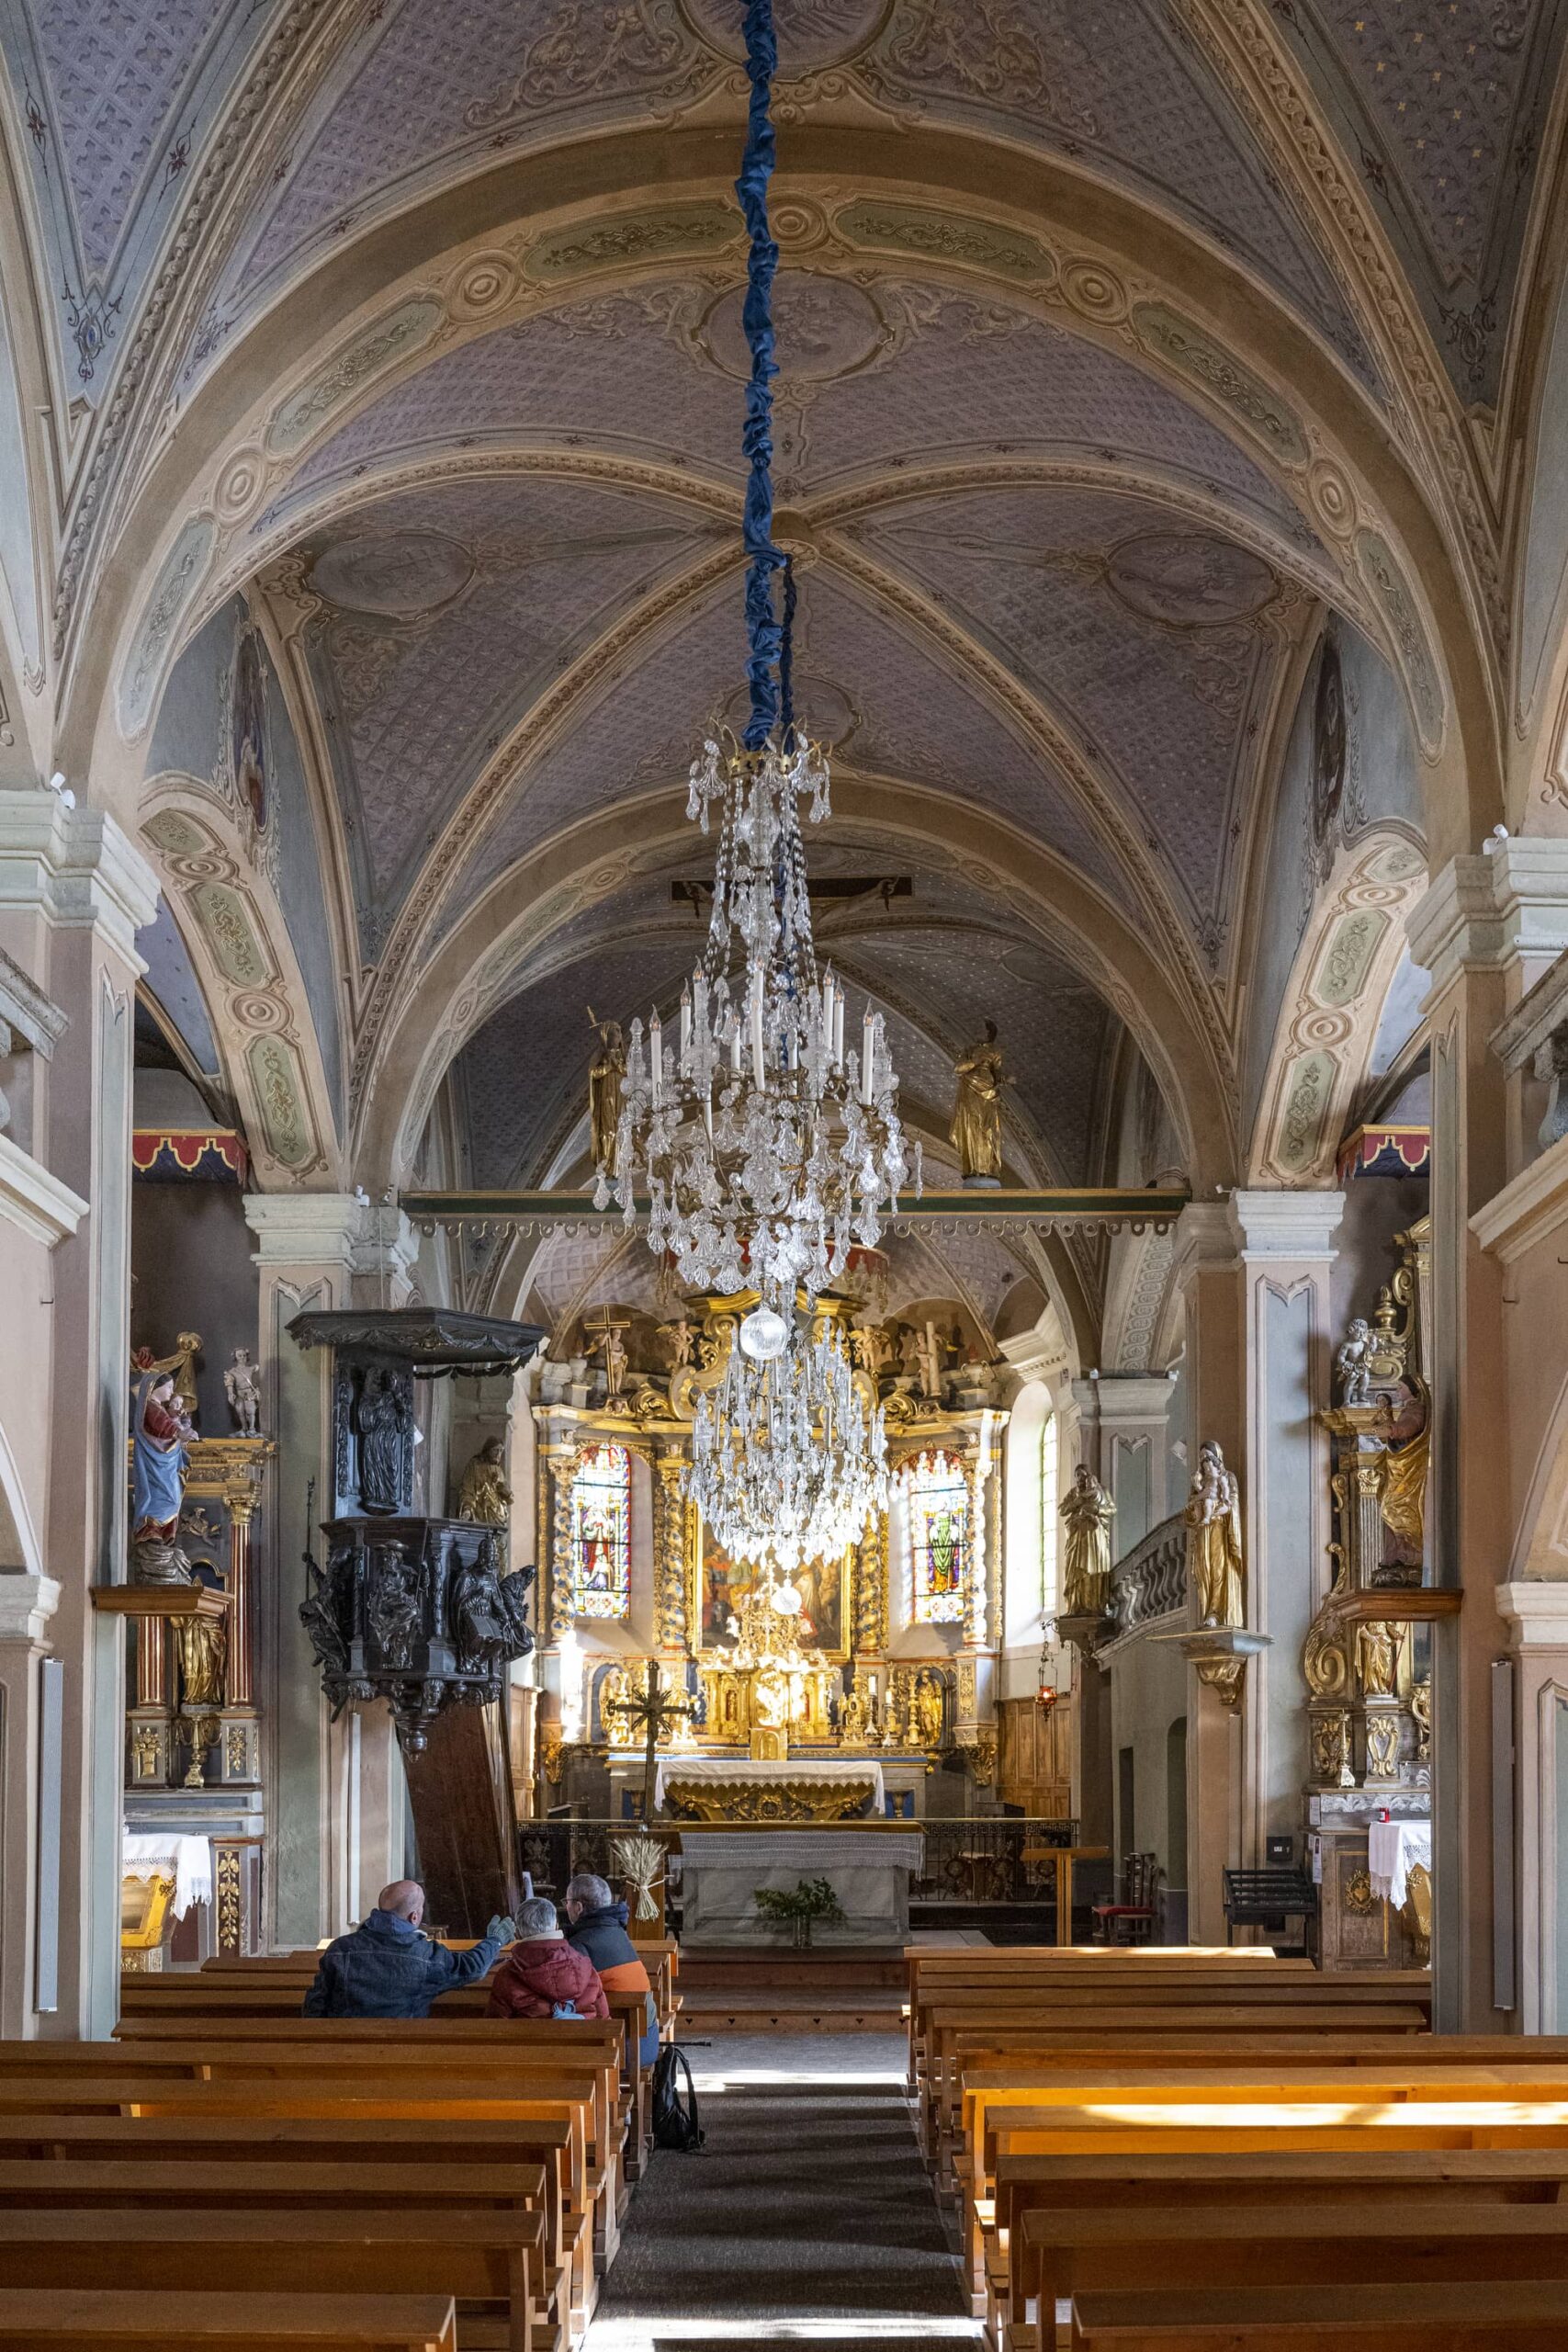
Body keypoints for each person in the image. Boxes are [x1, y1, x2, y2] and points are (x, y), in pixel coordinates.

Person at [301, 1879, 513, 2018]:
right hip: (403, 2048)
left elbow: (315, 2005)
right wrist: (494, 1941)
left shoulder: (340, 1949)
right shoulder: (425, 1955)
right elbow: (471, 1968)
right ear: (414, 1916)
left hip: (343, 2048)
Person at [562, 1871, 659, 2065]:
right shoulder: (616, 1931)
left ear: (579, 1907)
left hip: (621, 2050)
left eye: (568, 1901)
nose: (566, 1906)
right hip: (646, 2040)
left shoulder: (580, 1943)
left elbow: (566, 1994)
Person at [487, 1894, 610, 2019]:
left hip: (531, 2039)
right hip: (587, 2038)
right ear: (556, 1926)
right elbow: (605, 2020)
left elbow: (496, 2028)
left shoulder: (506, 1976)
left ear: (518, 1933)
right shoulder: (586, 1969)